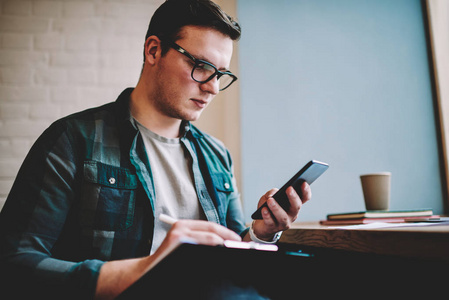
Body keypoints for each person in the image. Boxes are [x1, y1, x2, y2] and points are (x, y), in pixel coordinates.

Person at [0, 0, 311, 299]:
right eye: (202, 66)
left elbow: (233, 258)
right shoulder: (72, 140)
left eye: (221, 74)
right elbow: (14, 265)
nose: (213, 87)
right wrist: (147, 269)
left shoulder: (217, 156)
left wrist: (261, 233)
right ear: (154, 50)